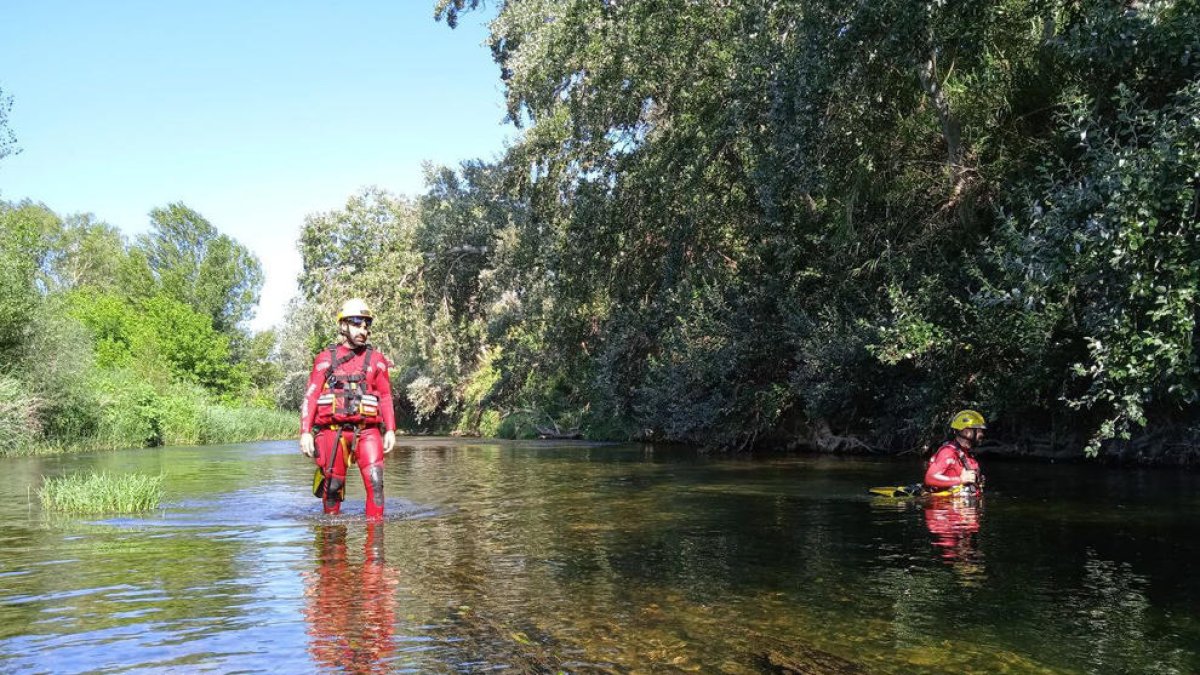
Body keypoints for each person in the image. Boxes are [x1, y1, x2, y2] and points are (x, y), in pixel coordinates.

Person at [300, 298, 396, 520]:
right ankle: (332, 538)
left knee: (376, 483)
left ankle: (376, 538)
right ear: (343, 325)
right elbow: (311, 396)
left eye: (366, 325)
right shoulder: (324, 359)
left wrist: (391, 429)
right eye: (356, 324)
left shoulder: (377, 360)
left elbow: (385, 396)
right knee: (332, 488)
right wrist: (305, 432)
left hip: (367, 431)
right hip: (333, 432)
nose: (363, 330)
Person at [924, 409, 986, 494]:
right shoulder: (948, 452)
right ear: (967, 432)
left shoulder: (967, 453)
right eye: (979, 430)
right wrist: (960, 480)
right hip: (946, 502)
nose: (982, 434)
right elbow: (930, 478)